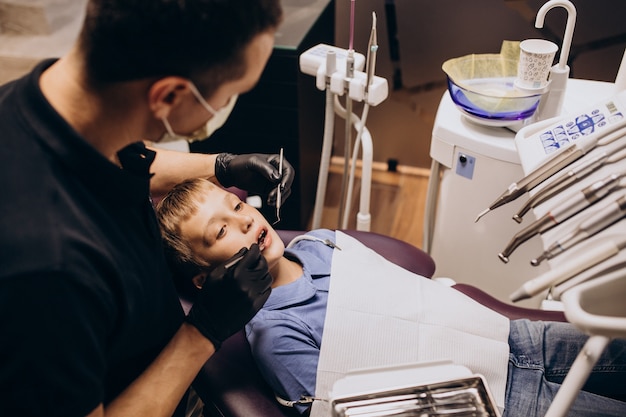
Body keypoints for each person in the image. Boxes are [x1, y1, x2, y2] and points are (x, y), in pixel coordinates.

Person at [0, 1, 296, 416]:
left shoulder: (59, 105)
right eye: (231, 93)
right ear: (170, 95)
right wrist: (204, 332)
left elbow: (127, 158)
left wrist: (220, 166)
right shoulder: (46, 269)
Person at [156, 177, 626, 417]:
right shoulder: (278, 336)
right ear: (205, 280)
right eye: (221, 231)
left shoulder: (319, 242)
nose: (243, 222)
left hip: (514, 337)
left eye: (237, 206)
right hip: (506, 399)